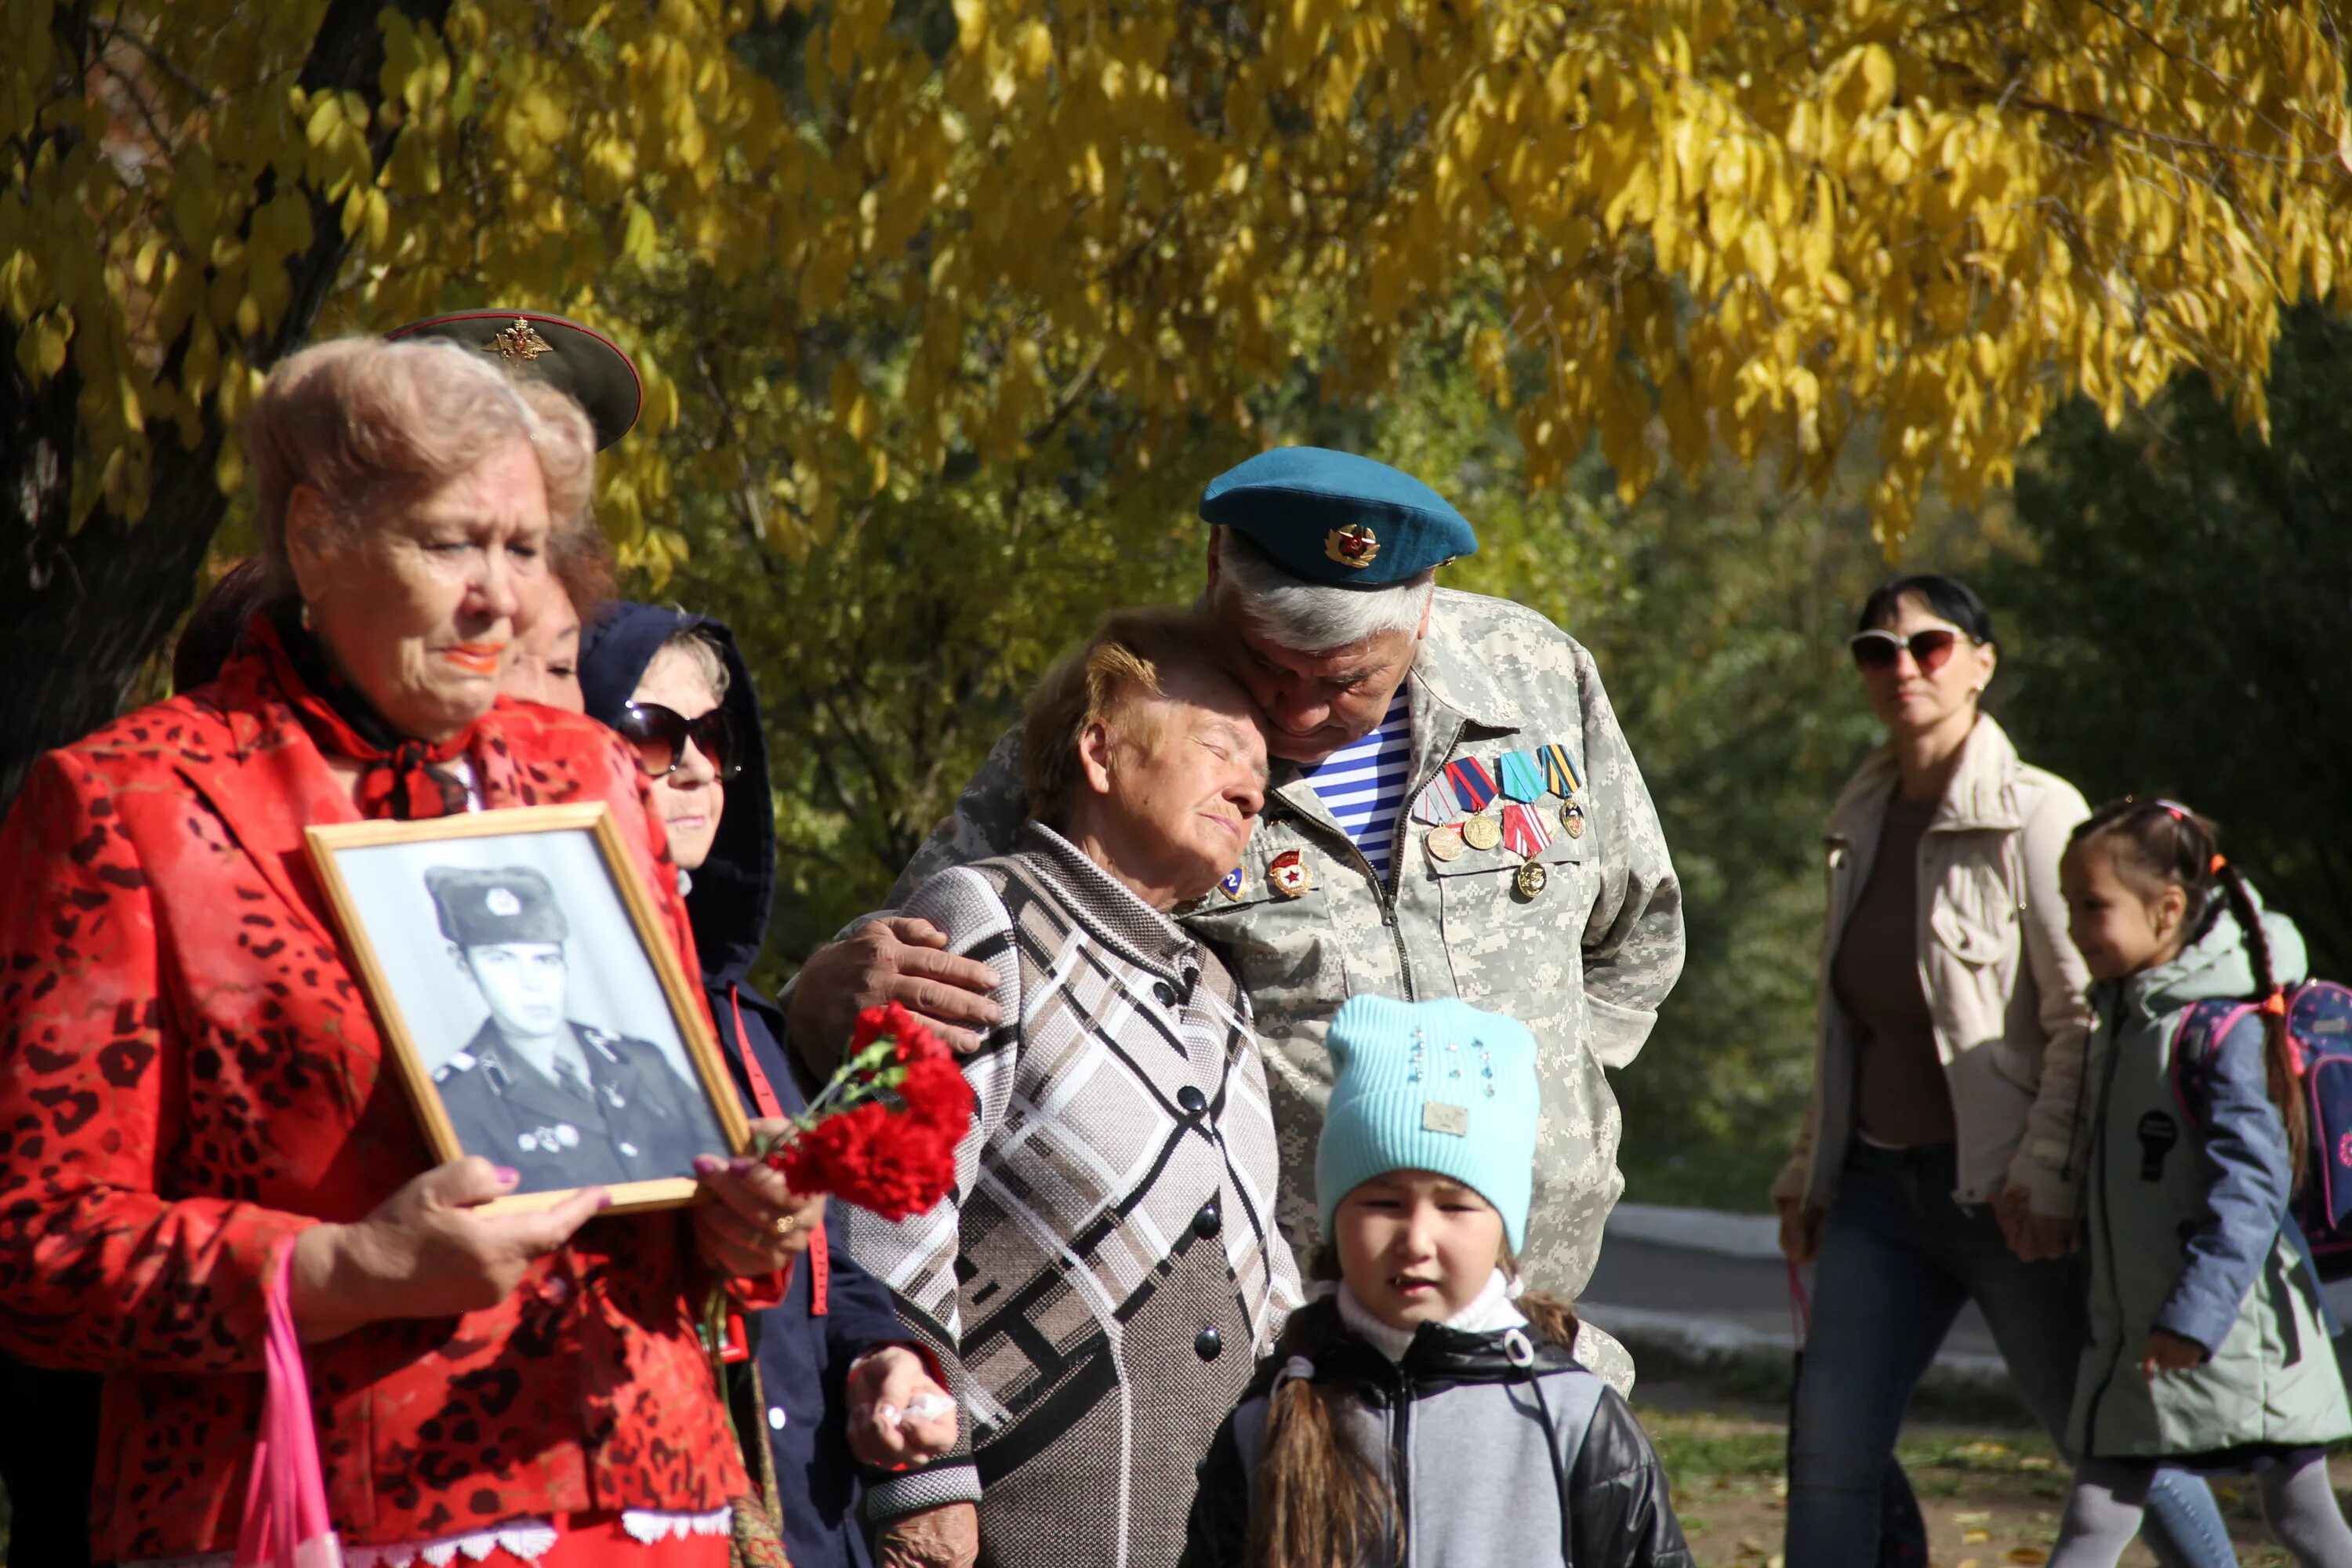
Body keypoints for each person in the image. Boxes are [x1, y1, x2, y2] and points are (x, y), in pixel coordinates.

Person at [0, 335, 823, 1566]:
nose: (502, 595)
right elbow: (41, 1244)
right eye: (452, 542)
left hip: (647, 1505)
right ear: (319, 536)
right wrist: (350, 1267)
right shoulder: (129, 800)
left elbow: (663, 1155)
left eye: (525, 546)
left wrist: (742, 1214)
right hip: (313, 1512)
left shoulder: (587, 773)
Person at [791, 448, 1682, 1385]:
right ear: (1217, 572)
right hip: (1280, 1352)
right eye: (1269, 662)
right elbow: (931, 945)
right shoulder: (1138, 734)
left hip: (1536, 1327)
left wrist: (1556, 1108)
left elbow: (1639, 931)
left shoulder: (1533, 675)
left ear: (1421, 613)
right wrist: (825, 989)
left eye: (1347, 680)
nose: (1299, 709)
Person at [1771, 575, 2230, 1568]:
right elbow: (1846, 1020)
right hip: (1874, 1196)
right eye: (1876, 650)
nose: (1902, 668)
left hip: (2010, 1203)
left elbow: (2081, 1017)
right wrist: (1809, 1170)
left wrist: (2050, 1172)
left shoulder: (2037, 812)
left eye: (1929, 646)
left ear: (1982, 663)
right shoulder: (1858, 808)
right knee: (1829, 1457)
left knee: (2107, 1443)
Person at [837, 607, 1304, 1568]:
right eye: (1220, 747)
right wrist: (922, 1483)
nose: (1250, 788)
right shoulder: (980, 914)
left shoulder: (1221, 993)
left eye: (1261, 772)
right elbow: (891, 1207)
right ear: (1101, 750)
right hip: (1011, 1515)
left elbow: (1265, 1274)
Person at [581, 603, 955, 1568]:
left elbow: (824, 1270)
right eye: (655, 733)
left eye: (716, 735)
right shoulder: (553, 1017)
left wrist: (885, 1358)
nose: (699, 766)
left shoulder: (747, 1025)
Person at [1184, 995, 1693, 1568]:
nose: (1417, 1240)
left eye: (1454, 1208)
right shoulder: (1270, 1418)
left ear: (1503, 1230)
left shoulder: (1575, 1421)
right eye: (1383, 1202)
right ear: (1332, 1220)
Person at [2045, 801, 2352, 1567]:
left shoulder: (2220, 1029)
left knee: (2303, 1516)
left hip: (2233, 1339)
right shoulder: (2128, 1021)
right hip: (2151, 1341)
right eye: (2067, 906)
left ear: (2168, 907)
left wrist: (2193, 1315)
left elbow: (2253, 1184)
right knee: (2100, 1516)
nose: (2076, 927)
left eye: (2092, 906)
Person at [427, 863, 728, 1189]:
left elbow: (722, 1158)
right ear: (464, 966)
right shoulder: (458, 1098)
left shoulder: (640, 1059)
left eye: (545, 960)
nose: (531, 983)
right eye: (501, 960)